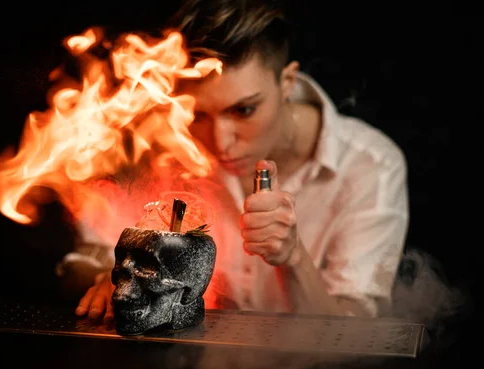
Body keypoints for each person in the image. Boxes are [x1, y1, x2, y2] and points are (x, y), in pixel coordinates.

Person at [62, 0, 409, 321]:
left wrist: (292, 259)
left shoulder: (370, 166)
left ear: (287, 82)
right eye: (197, 115)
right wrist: (111, 276)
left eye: (244, 110)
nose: (220, 143)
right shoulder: (168, 141)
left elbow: (351, 337)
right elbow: (87, 254)